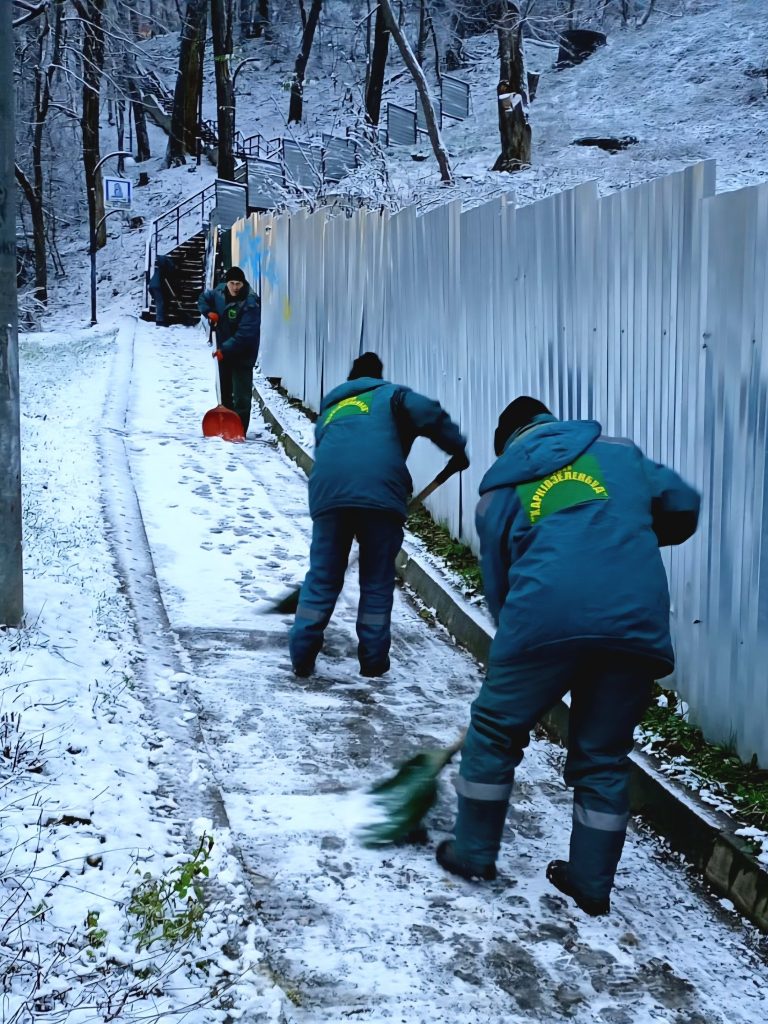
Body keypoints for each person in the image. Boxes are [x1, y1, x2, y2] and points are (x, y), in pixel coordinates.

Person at [436, 396, 700, 916]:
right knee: (603, 755)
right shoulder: (621, 456)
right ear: (551, 424)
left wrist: (521, 653)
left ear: (508, 444)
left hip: (544, 618)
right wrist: (630, 532)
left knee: (493, 729)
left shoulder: (500, 490)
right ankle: (590, 885)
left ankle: (473, 854)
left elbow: (500, 591)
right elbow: (684, 504)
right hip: (634, 624)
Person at [289, 352, 469, 679]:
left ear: (351, 380)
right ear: (377, 377)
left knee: (323, 576)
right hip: (380, 496)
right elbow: (429, 412)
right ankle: (372, 661)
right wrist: (457, 447)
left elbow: (328, 450)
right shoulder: (393, 396)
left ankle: (302, 653)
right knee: (375, 580)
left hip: (328, 493)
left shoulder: (332, 408)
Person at [198, 266, 261, 435]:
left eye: (238, 284)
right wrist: (209, 312)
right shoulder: (219, 292)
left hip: (242, 354)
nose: (235, 287)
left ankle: (239, 430)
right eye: (232, 283)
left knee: (241, 395)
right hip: (224, 351)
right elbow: (203, 298)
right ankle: (224, 427)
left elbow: (245, 335)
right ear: (227, 283)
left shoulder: (251, 302)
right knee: (224, 390)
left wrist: (223, 349)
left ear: (243, 283)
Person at [148, 253, 182, 327]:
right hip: (157, 286)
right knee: (160, 303)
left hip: (152, 285)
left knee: (160, 302)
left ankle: (161, 319)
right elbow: (168, 279)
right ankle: (159, 321)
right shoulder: (165, 268)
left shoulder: (160, 268)